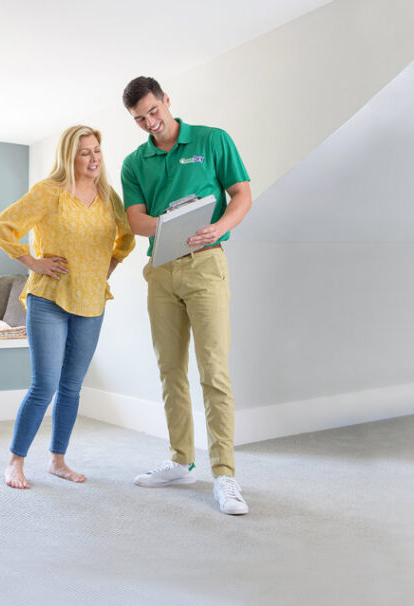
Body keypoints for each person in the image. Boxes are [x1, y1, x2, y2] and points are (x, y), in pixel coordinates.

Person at [120, 76, 253, 515]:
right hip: (161, 270)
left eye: (154, 112)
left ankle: (225, 474)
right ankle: (180, 460)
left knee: (214, 372)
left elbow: (241, 195)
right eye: (140, 119)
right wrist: (174, 222)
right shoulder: (134, 162)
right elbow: (136, 220)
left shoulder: (212, 141)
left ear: (167, 101)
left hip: (206, 265)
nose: (150, 123)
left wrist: (218, 225)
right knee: (169, 370)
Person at [0, 125, 135, 489]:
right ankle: (15, 462)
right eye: (85, 152)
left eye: (97, 150)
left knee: (72, 386)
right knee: (45, 385)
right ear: (69, 156)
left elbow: (126, 237)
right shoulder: (49, 192)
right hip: (49, 299)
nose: (94, 158)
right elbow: (2, 227)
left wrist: (108, 267)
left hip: (91, 301)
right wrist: (33, 262)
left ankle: (57, 460)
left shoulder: (107, 195)